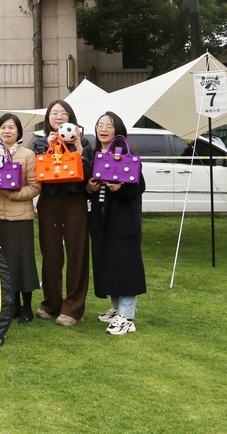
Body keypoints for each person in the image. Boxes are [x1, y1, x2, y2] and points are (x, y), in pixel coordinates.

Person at [32, 99, 93, 326]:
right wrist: (50, 146)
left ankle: (73, 308)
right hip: (49, 201)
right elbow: (40, 175)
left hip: (75, 199)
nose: (59, 117)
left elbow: (88, 173)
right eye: (54, 113)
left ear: (70, 118)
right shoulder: (40, 144)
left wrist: (77, 146)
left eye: (64, 113)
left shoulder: (84, 141)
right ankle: (51, 303)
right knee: (50, 252)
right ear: (48, 118)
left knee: (77, 252)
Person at [87, 111, 146, 335]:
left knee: (126, 265)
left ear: (117, 131)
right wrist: (90, 188)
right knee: (107, 262)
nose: (103, 129)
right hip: (101, 218)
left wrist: (120, 188)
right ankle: (115, 308)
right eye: (99, 125)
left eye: (108, 126)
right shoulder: (94, 155)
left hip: (123, 219)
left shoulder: (125, 155)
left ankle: (127, 316)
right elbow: (89, 186)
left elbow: (139, 187)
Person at [0, 113, 40, 322]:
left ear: (18, 132)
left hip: (21, 218)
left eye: (11, 128)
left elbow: (35, 187)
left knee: (23, 262)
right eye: (3, 127)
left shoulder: (27, 154)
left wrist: (11, 194)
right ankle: (12, 305)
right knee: (5, 263)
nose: (6, 131)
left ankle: (27, 307)